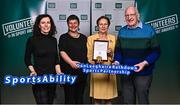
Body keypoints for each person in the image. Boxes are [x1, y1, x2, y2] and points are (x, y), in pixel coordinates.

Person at [114, 6, 161, 104]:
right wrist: (117, 61)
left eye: (132, 15)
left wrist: (144, 63)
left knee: (143, 100)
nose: (129, 17)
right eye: (127, 15)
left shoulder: (149, 30)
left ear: (137, 16)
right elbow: (118, 51)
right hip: (126, 72)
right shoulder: (122, 31)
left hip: (143, 73)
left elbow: (156, 51)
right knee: (127, 101)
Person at [24, 14, 62, 104]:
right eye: (43, 23)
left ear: (51, 25)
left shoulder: (53, 40)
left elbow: (56, 59)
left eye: (48, 22)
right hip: (39, 78)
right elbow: (27, 59)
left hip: (52, 79)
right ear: (39, 25)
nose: (46, 25)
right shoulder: (32, 40)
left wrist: (59, 72)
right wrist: (32, 71)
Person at [87, 16, 118, 105]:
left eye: (105, 24)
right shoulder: (91, 38)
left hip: (109, 70)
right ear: (97, 26)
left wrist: (110, 53)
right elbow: (89, 56)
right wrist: (95, 61)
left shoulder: (113, 38)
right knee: (97, 99)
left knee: (109, 99)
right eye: (101, 24)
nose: (103, 26)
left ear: (108, 25)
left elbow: (117, 56)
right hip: (97, 70)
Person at [58, 15, 88, 104]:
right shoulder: (63, 37)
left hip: (82, 73)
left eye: (75, 23)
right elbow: (62, 52)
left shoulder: (84, 38)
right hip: (68, 72)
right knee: (69, 99)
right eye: (70, 23)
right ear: (67, 24)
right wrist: (71, 62)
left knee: (80, 98)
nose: (73, 25)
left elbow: (88, 54)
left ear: (78, 24)